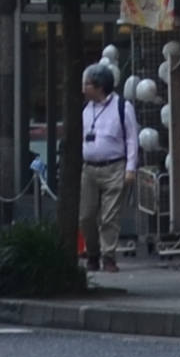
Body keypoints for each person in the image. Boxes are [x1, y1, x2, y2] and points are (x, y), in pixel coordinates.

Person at [76, 62, 134, 270]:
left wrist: (130, 168)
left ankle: (108, 256)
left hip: (114, 167)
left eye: (87, 84)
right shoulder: (84, 108)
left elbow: (132, 140)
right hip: (89, 168)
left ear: (99, 86)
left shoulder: (122, 107)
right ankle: (92, 252)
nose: (83, 88)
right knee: (86, 216)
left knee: (110, 215)